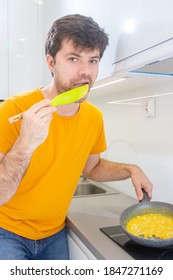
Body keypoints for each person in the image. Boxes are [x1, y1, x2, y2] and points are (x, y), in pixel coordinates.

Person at [0, 14, 153, 260]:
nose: (85, 72)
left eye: (93, 60)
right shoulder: (14, 110)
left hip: (54, 233)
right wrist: (26, 143)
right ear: (51, 62)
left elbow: (92, 167)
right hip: (7, 233)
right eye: (73, 59)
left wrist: (130, 169)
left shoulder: (93, 117)